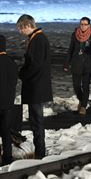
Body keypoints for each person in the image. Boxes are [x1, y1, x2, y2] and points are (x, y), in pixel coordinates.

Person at [16, 14, 52, 159]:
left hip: (36, 85)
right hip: (36, 84)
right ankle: (39, 151)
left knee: (37, 120)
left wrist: (22, 74)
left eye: (20, 28)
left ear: (26, 25)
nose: (20, 32)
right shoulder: (37, 38)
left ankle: (40, 153)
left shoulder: (38, 39)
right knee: (35, 119)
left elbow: (35, 64)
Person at [64, 17, 91, 116]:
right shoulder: (74, 34)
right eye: (81, 24)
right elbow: (71, 49)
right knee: (76, 86)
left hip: (87, 63)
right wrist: (67, 63)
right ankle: (83, 100)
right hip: (76, 63)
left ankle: (83, 106)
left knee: (85, 86)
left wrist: (90, 47)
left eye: (85, 24)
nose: (83, 26)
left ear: (89, 25)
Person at [0, 35, 18, 166]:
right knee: (6, 132)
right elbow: (14, 82)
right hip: (7, 103)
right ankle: (8, 158)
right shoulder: (11, 63)